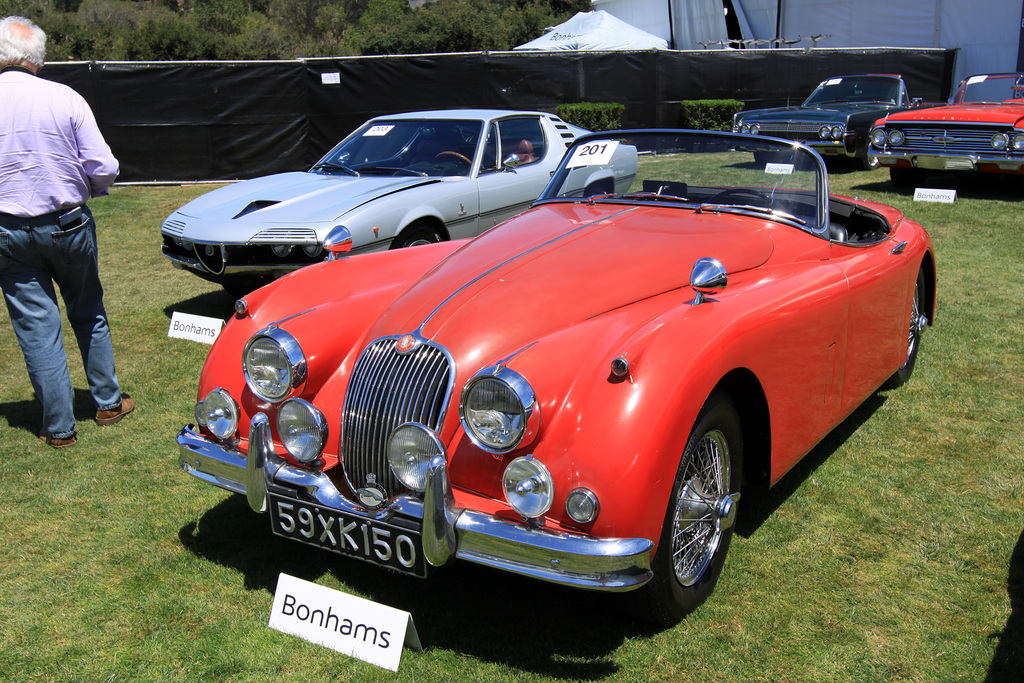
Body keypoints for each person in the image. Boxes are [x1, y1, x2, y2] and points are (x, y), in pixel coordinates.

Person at [0, 16, 133, 449]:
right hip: (67, 224)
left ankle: (59, 429)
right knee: (87, 310)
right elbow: (105, 166)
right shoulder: (64, 97)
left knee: (37, 328)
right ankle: (109, 403)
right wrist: (91, 190)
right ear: (37, 59)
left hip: (7, 232)